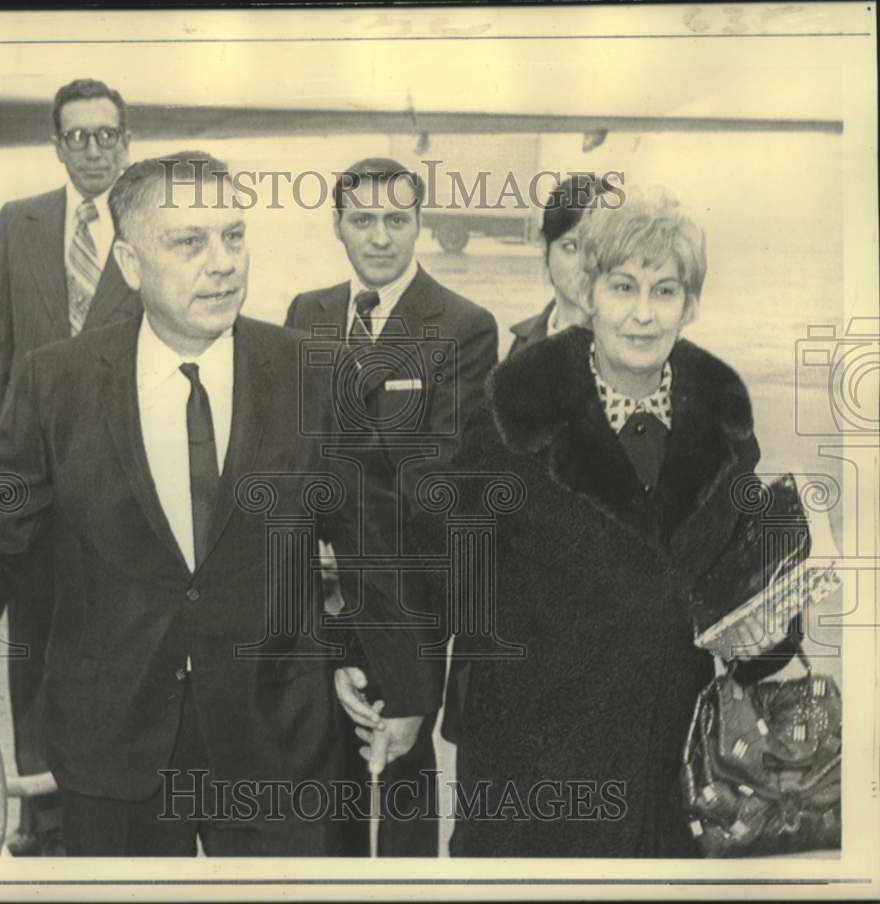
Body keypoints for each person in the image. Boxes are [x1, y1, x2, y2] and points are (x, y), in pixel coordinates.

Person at [0, 152, 439, 857]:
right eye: (190, 242)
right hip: (113, 751)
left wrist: (403, 689)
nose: (223, 263)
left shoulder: (315, 375)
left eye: (233, 236)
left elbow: (377, 544)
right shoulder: (57, 383)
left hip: (279, 747)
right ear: (128, 261)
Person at [434, 188, 797, 856]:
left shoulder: (725, 423)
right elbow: (451, 587)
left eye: (665, 292)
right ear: (590, 291)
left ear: (690, 305)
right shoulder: (510, 414)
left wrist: (770, 632)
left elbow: (744, 597)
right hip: (536, 775)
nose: (640, 314)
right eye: (623, 287)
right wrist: (407, 697)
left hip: (671, 779)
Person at [285, 158, 498, 856]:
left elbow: (434, 477)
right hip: (318, 601)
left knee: (405, 787)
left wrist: (325, 478)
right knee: (325, 788)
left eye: (397, 221)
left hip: (406, 604)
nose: (381, 238)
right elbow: (289, 451)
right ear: (338, 225)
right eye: (364, 220)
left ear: (420, 225)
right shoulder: (305, 314)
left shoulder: (464, 326)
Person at [0, 77, 139, 854]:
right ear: (58, 143)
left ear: (126, 143)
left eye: (107, 135)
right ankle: (40, 825)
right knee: (31, 661)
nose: (94, 149)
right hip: (32, 494)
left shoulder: (150, 224)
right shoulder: (19, 223)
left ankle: (111, 817)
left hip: (120, 494)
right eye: (79, 136)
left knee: (117, 659)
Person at [507, 174, 611, 358]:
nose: (586, 264)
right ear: (545, 247)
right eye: (571, 247)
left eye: (599, 248)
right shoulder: (523, 344)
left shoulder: (637, 351)